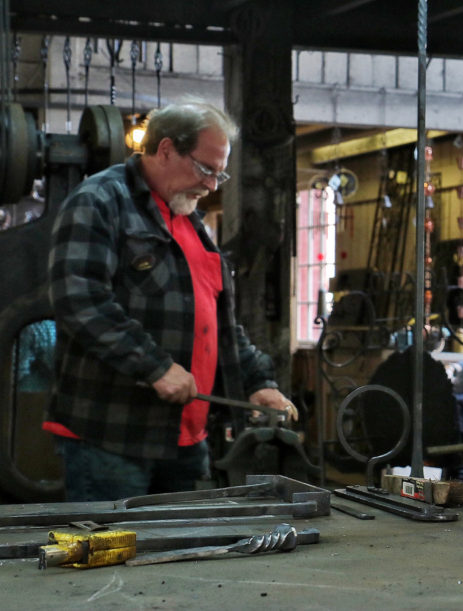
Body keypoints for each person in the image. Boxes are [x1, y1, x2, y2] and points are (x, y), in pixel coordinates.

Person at [44, 100, 297, 501]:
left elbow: (217, 322)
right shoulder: (99, 201)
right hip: (114, 437)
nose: (213, 185)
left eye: (220, 173)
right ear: (164, 150)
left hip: (185, 439)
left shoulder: (189, 221)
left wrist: (256, 382)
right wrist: (156, 367)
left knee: (179, 558)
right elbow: (81, 301)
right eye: (205, 169)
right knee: (112, 554)